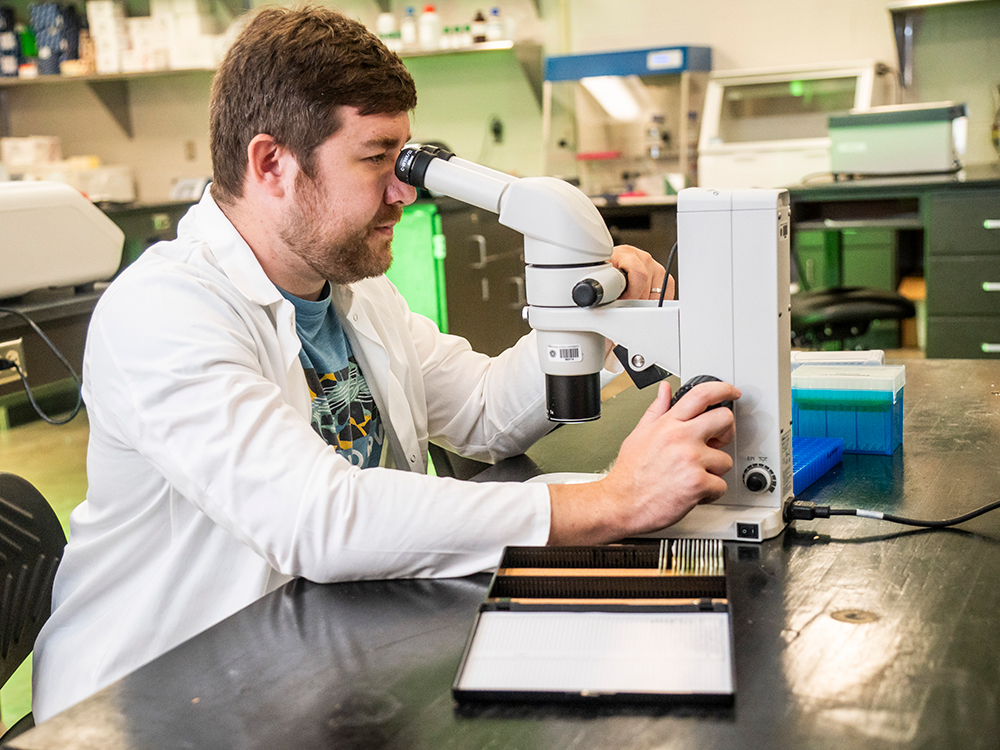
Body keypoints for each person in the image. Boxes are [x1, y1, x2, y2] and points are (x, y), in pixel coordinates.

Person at [32, 5, 740, 721]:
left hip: (315, 654)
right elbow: (318, 518)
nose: (404, 191)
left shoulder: (350, 294)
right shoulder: (165, 311)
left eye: (405, 158)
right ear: (272, 164)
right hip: (151, 703)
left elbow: (484, 412)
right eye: (377, 159)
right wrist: (610, 501)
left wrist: (594, 321)